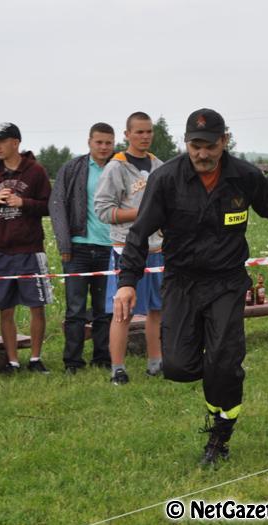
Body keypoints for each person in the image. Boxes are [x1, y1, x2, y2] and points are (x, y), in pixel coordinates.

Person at [114, 109, 268, 465]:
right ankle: (219, 376)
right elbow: (139, 234)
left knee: (224, 363)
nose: (202, 154)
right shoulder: (166, 179)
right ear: (185, 143)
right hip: (182, 282)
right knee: (177, 367)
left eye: (209, 146)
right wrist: (127, 283)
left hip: (226, 282)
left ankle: (221, 431)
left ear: (224, 141)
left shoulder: (244, 176)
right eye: (195, 145)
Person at [0, 122, 53, 374]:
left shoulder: (36, 172)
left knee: (35, 305)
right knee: (5, 309)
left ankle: (34, 359)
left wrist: (24, 202)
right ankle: (11, 361)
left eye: (1, 141)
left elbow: (49, 206)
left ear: (15, 143)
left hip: (30, 251)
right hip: (2, 252)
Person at [95, 111, 164, 385]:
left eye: (148, 131)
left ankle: (156, 362)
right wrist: (140, 214)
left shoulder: (159, 165)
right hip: (126, 248)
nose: (145, 136)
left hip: (158, 248)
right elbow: (103, 210)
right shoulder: (116, 167)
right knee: (123, 310)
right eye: (139, 132)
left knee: (157, 309)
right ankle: (118, 368)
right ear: (127, 135)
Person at [49, 123, 115, 373]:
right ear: (89, 142)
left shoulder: (118, 168)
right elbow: (57, 205)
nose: (103, 147)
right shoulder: (72, 168)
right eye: (99, 142)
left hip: (109, 249)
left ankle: (103, 357)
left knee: (104, 308)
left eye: (108, 142)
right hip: (77, 249)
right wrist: (64, 243)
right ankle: (73, 361)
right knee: (75, 309)